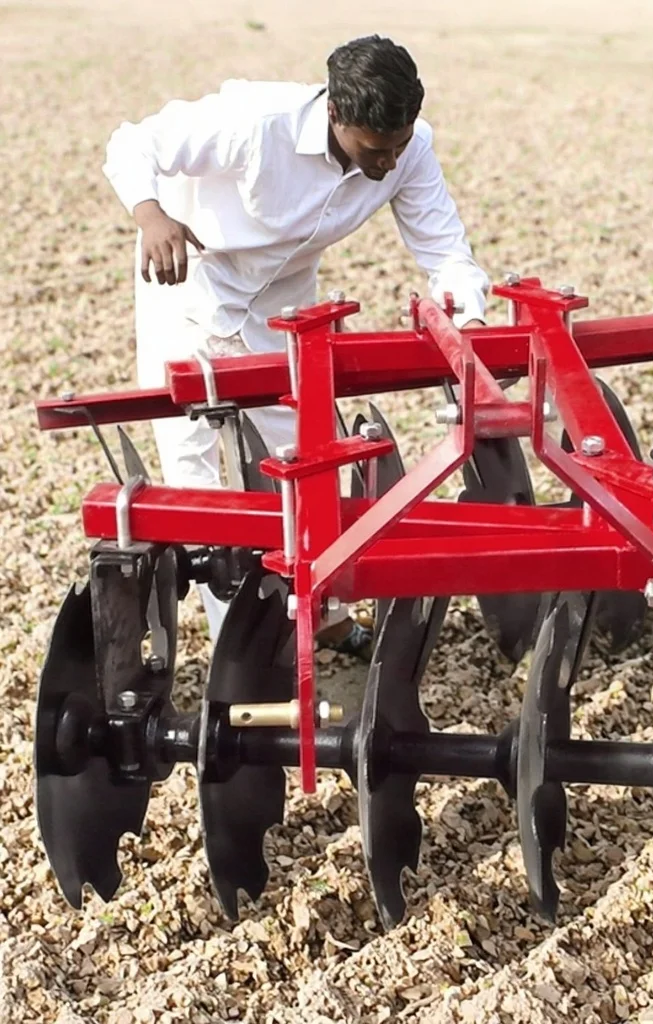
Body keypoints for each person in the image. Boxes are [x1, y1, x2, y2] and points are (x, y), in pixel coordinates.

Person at [102, 35, 490, 659]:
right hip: (190, 280)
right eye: (375, 150)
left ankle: (325, 616)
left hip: (282, 303)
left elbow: (444, 250)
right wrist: (151, 216)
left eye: (397, 146)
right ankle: (241, 653)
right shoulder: (257, 123)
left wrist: (467, 319)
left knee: (304, 457)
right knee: (197, 472)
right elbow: (133, 141)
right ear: (335, 114)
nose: (389, 162)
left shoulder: (409, 149)